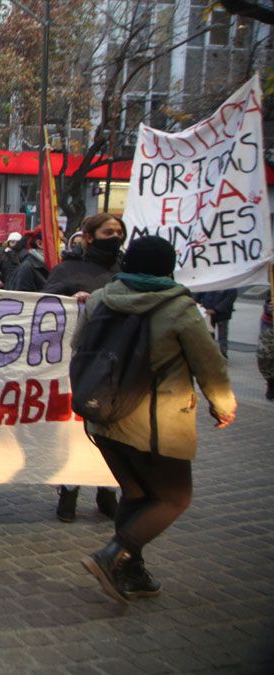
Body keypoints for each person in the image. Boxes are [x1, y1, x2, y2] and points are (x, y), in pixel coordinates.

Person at [75, 235, 236, 603]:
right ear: (168, 267)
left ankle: (131, 572)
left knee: (136, 494)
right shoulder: (180, 309)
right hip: (155, 423)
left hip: (103, 417)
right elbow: (209, 366)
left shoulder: (100, 298)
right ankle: (113, 554)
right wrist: (223, 404)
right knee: (174, 497)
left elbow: (78, 346)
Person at [43, 213, 127, 523]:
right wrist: (68, 298)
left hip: (117, 364)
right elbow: (41, 305)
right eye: (109, 231)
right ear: (89, 237)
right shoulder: (67, 270)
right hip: (75, 363)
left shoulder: (127, 272)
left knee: (112, 431)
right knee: (74, 431)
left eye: (119, 231)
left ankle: (108, 491)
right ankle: (69, 492)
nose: (115, 236)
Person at [193, 288, 238, 358]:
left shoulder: (229, 283)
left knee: (222, 336)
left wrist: (216, 309)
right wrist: (197, 302)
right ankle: (210, 353)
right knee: (209, 335)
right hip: (207, 312)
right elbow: (200, 292)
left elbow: (230, 298)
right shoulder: (209, 279)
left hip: (222, 314)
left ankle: (223, 354)